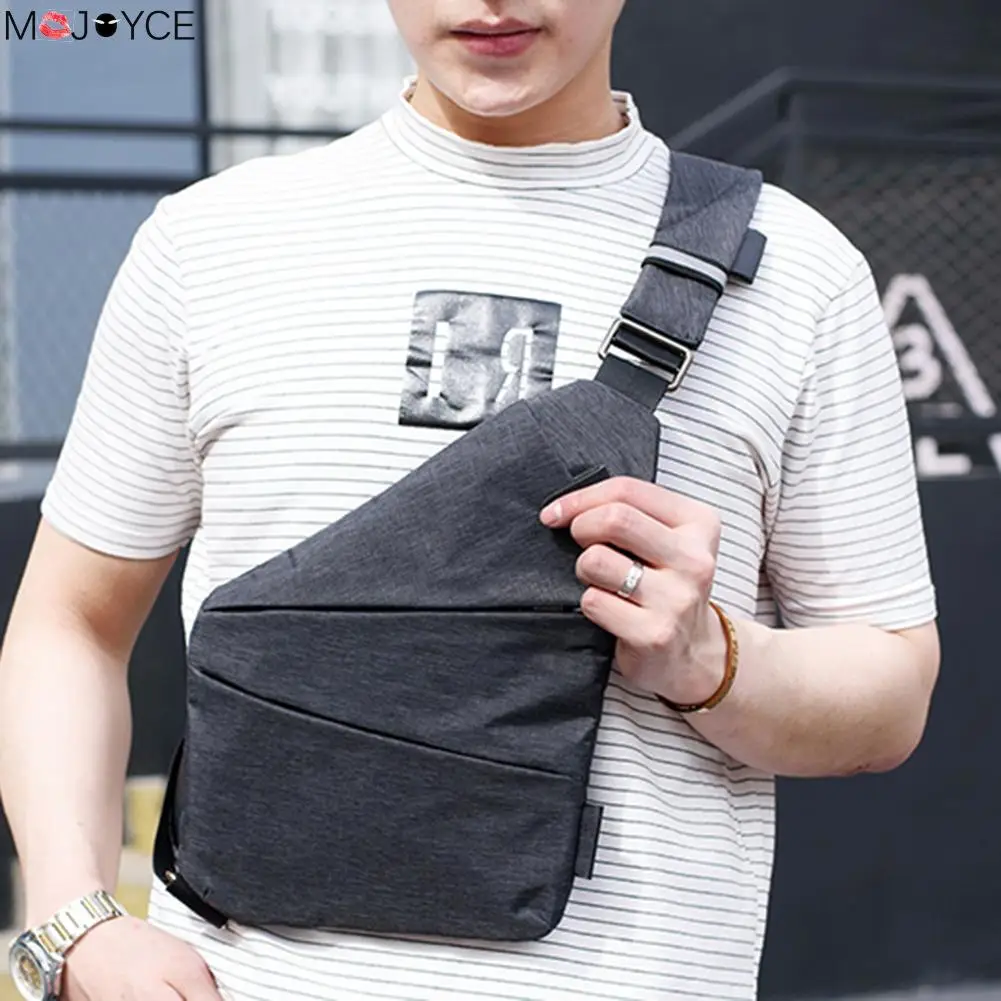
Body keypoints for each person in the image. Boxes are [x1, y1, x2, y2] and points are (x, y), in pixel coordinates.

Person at [0, 1, 940, 999]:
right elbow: (70, 624)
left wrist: (708, 658)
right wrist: (73, 921)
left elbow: (889, 693)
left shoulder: (798, 274)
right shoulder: (211, 244)